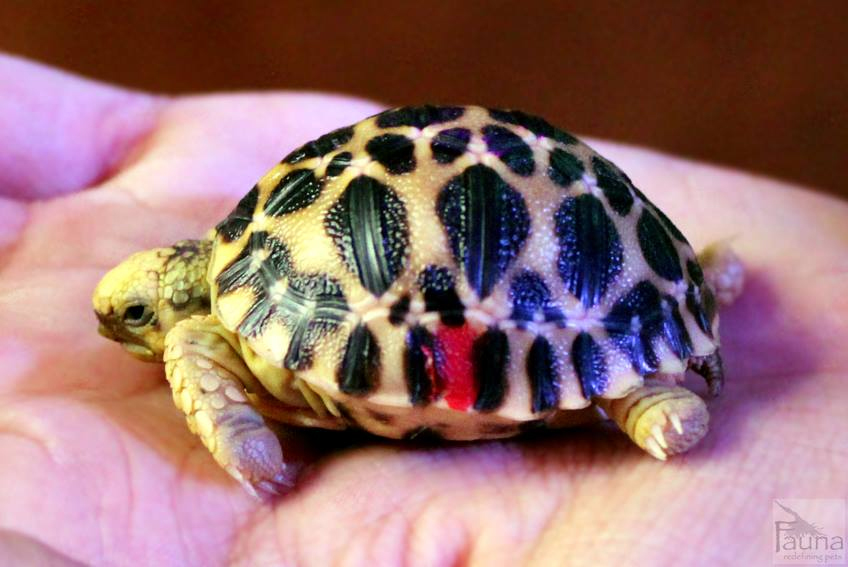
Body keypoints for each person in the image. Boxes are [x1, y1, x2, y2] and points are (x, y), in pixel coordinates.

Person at [0, 54, 844, 566]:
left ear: (181, 290)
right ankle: (657, 324)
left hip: (554, 275)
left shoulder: (207, 326)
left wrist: (237, 432)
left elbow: (198, 351)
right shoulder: (257, 239)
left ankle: (634, 377)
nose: (128, 331)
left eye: (138, 317)